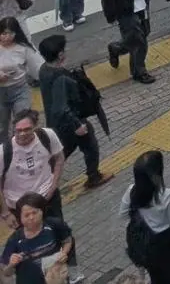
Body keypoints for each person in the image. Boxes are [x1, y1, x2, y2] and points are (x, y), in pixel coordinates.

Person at [36, 35, 109, 191]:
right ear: (60, 54)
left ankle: (43, 178)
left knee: (62, 152)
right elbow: (61, 106)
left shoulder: (44, 69)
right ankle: (93, 177)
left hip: (56, 123)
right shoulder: (59, 77)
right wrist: (77, 124)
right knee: (88, 145)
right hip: (69, 123)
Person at [122, 149, 170, 284]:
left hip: (147, 248)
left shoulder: (131, 191)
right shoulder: (166, 195)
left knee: (157, 277)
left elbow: (123, 214)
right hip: (166, 244)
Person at [0, 112, 64, 223]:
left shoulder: (47, 135)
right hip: (19, 207)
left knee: (59, 233)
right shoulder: (3, 152)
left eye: (27, 129)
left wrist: (54, 185)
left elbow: (59, 158)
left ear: (35, 127)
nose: (22, 134)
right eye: (18, 130)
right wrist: (6, 213)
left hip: (47, 198)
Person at [0, 191, 72, 284]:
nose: (31, 217)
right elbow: (6, 273)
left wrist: (64, 253)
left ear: (42, 211)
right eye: (26, 215)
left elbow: (67, 240)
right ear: (20, 218)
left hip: (56, 279)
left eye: (34, 212)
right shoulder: (15, 240)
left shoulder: (54, 224)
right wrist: (11, 264)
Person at [0, 18, 40, 127]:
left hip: (20, 90)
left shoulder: (24, 48)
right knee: (2, 127)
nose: (6, 37)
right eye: (3, 33)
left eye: (10, 33)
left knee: (22, 123)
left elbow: (35, 71)